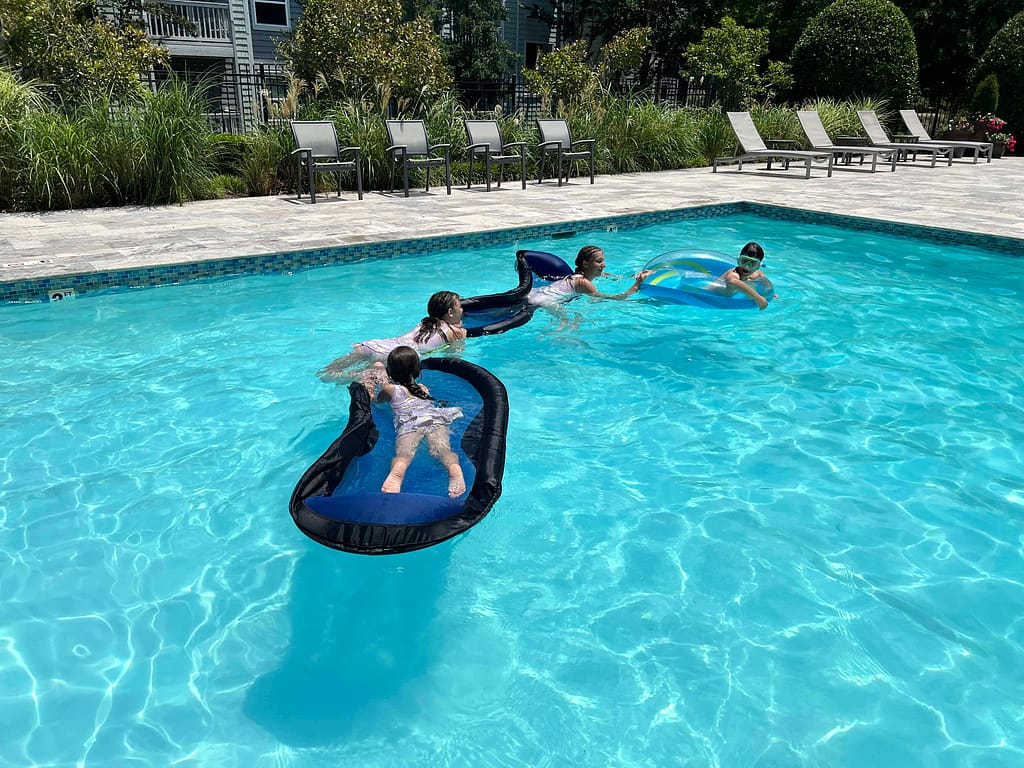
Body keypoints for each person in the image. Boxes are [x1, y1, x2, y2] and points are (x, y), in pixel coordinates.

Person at [374, 346, 466, 498]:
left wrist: (369, 392)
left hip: (410, 423)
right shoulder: (423, 388)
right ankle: (454, 468)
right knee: (441, 450)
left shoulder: (390, 389)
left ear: (390, 371)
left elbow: (377, 403)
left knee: (404, 454)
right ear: (417, 370)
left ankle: (399, 470)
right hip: (434, 419)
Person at [317, 290, 467, 382]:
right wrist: (462, 336)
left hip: (374, 345)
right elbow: (452, 358)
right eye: (459, 306)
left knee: (327, 373)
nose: (462, 309)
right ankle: (366, 375)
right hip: (392, 356)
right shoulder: (455, 333)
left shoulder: (424, 323)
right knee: (369, 376)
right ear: (450, 312)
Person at [527, 245, 653, 306]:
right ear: (586, 264)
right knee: (571, 324)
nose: (604, 265)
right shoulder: (584, 283)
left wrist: (634, 277)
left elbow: (613, 277)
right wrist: (637, 284)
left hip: (536, 292)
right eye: (599, 262)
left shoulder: (586, 276)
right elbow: (616, 298)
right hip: (542, 300)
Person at [709, 242, 777, 310]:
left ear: (758, 266)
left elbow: (763, 279)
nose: (747, 267)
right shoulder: (734, 274)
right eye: (744, 261)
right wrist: (757, 297)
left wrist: (769, 293)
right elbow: (732, 281)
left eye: (753, 264)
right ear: (739, 260)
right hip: (710, 297)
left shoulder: (756, 273)